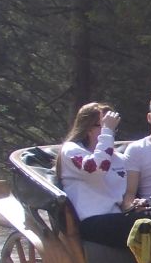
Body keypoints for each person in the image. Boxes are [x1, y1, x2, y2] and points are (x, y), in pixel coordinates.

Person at [59, 101, 142, 249]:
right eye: (103, 126)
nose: (110, 131)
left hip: (117, 218)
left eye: (112, 127)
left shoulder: (119, 159)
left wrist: (135, 205)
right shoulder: (71, 151)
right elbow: (97, 168)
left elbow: (126, 195)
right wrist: (108, 131)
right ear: (88, 128)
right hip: (91, 221)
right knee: (148, 226)